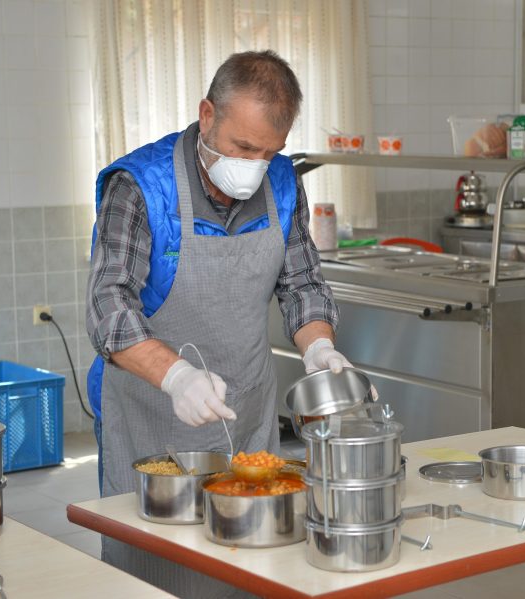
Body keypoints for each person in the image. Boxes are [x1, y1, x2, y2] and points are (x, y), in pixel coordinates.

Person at [85, 50, 355, 598]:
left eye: (270, 152)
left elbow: (301, 284)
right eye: (243, 148)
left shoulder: (281, 183)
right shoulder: (140, 186)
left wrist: (319, 348)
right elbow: (107, 308)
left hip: (247, 417)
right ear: (207, 115)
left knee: (247, 568)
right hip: (154, 421)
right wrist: (177, 377)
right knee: (157, 572)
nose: (255, 166)